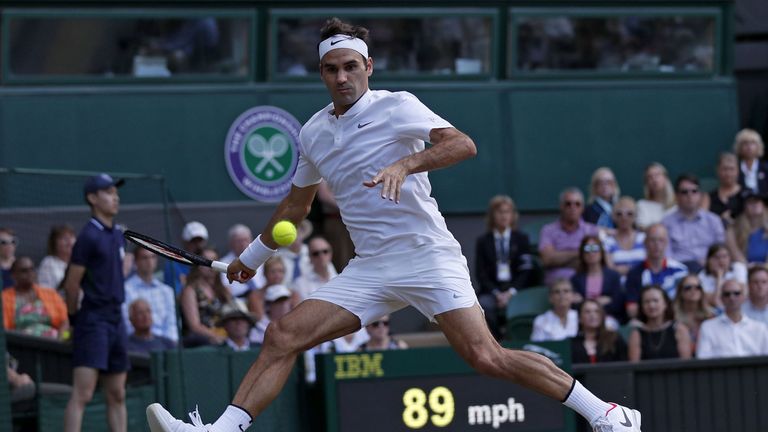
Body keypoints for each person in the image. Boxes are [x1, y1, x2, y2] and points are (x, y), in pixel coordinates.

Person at [146, 18, 642, 432]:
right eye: (331, 69)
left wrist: (406, 165)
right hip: (372, 267)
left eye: (350, 67)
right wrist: (251, 259)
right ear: (321, 73)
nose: (342, 77)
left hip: (428, 255)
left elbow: (462, 144)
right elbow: (294, 209)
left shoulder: (397, 105)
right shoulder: (313, 132)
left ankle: (607, 414)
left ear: (367, 67)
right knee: (281, 335)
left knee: (486, 357)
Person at [63, 173, 128, 432]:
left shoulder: (118, 234)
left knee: (117, 394)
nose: (115, 197)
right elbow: (71, 284)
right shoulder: (88, 236)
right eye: (108, 192)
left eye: (115, 192)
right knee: (84, 393)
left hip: (116, 319)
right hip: (93, 320)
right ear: (92, 198)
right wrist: (74, 320)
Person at [475, 195, 534, 338]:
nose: (504, 216)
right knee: (484, 306)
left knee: (522, 304)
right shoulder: (483, 241)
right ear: (492, 216)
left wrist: (511, 292)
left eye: (507, 212)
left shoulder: (521, 239)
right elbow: (480, 273)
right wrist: (497, 294)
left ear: (513, 215)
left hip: (516, 289)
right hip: (492, 291)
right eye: (500, 212)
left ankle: (515, 342)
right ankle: (497, 342)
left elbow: (526, 271)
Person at [662, 174, 725, 271]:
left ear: (700, 195)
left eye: (694, 191)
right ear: (677, 196)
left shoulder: (713, 220)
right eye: (684, 192)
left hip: (710, 270)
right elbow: (667, 257)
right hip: (680, 271)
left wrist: (709, 262)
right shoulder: (666, 223)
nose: (690, 195)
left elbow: (721, 250)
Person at [539, 187, 600, 285]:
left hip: (584, 286)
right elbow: (548, 259)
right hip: (556, 287)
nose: (573, 207)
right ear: (561, 206)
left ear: (582, 208)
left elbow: (593, 261)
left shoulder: (592, 230)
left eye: (577, 204)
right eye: (568, 204)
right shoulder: (548, 230)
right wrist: (580, 252)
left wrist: (559, 258)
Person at [624, 224, 688, 318]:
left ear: (667, 243)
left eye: (661, 240)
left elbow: (687, 304)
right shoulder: (634, 273)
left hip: (676, 319)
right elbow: (631, 308)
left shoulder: (680, 271)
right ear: (645, 243)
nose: (657, 244)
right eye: (652, 240)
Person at [697, 279, 768, 359]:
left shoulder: (760, 328)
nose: (732, 297)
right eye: (727, 294)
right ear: (721, 298)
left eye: (736, 293)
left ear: (744, 297)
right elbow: (703, 359)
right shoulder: (708, 327)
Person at [2, 256, 69, 339]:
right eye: (24, 271)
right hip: (19, 345)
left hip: (54, 344)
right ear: (13, 275)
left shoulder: (51, 294)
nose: (30, 273)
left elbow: (65, 322)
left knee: (70, 335)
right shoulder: (4, 298)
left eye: (32, 269)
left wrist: (62, 340)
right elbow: (4, 329)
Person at [122, 247, 179, 343]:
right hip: (137, 343)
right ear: (136, 262)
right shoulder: (125, 289)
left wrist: (170, 345)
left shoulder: (167, 291)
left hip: (164, 344)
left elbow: (172, 324)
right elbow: (126, 323)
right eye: (145, 258)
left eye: (153, 257)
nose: (149, 261)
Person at [180, 248, 230, 347]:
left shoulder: (224, 290)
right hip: (202, 340)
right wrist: (217, 336)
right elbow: (194, 326)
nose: (210, 265)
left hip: (226, 336)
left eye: (214, 261)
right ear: (197, 265)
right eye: (206, 261)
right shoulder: (190, 291)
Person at [628, 285, 692, 361]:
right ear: (642, 306)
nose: (651, 305)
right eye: (646, 302)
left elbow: (686, 363)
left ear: (665, 304)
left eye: (655, 300)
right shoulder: (637, 333)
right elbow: (634, 367)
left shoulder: (679, 329)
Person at [570, 236, 624, 326]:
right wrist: (598, 302)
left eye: (595, 248)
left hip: (608, 318)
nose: (591, 253)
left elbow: (617, 303)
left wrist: (586, 301)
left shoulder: (613, 276)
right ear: (582, 254)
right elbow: (575, 304)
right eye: (587, 249)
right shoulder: (576, 279)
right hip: (583, 320)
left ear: (602, 252)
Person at [571, 300, 627, 364]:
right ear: (580, 318)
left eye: (597, 311)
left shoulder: (614, 338)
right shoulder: (572, 344)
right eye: (587, 312)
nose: (592, 315)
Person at [316, 180, 356, 271]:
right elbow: (323, 195)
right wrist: (347, 208)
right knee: (342, 260)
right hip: (336, 220)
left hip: (356, 220)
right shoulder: (325, 168)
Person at [672, 274, 715, 355]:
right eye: (688, 288)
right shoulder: (672, 317)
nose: (693, 290)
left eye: (697, 287)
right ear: (680, 292)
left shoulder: (711, 316)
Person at [603, 197, 646, 277]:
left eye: (629, 214)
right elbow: (609, 270)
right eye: (619, 214)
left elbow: (650, 266)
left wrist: (624, 269)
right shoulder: (607, 241)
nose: (624, 218)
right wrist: (636, 268)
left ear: (635, 216)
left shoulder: (644, 238)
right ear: (613, 217)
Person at [219, 224, 264, 300]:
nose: (243, 244)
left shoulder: (261, 259)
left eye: (246, 240)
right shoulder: (223, 263)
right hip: (238, 302)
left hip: (264, 300)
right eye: (239, 241)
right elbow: (225, 288)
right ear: (231, 244)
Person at [697, 244, 747, 309]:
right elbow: (715, 302)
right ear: (709, 260)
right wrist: (719, 277)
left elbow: (743, 294)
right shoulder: (702, 276)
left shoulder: (738, 268)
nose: (721, 260)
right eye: (716, 257)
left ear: (730, 258)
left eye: (724, 256)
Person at [164, 221, 209, 295]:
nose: (198, 246)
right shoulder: (173, 264)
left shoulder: (210, 261)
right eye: (193, 241)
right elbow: (176, 295)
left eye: (200, 241)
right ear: (185, 242)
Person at [290, 236, 338, 304]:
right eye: (316, 253)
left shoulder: (340, 280)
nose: (321, 256)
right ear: (309, 257)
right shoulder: (299, 284)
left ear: (331, 253)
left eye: (325, 251)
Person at [726, 191, 768, 264]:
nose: (755, 204)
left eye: (758, 201)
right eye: (750, 202)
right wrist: (750, 268)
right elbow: (735, 254)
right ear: (743, 207)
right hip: (744, 269)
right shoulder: (733, 230)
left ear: (763, 204)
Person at [704, 152, 743, 225]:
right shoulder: (708, 197)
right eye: (724, 169)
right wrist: (719, 221)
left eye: (732, 169)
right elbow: (702, 223)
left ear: (738, 171)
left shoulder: (747, 195)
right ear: (717, 170)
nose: (728, 173)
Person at [635, 162, 676, 230]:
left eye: (657, 175)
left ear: (665, 178)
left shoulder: (678, 204)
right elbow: (641, 228)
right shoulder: (642, 205)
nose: (654, 179)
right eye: (649, 177)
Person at [37, 224, 77, 292]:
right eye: (64, 238)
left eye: (71, 236)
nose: (69, 241)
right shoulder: (49, 262)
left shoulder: (79, 262)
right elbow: (45, 291)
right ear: (54, 244)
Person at [734, 128, 768, 195]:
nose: (749, 147)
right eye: (745, 143)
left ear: (759, 146)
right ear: (739, 147)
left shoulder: (766, 168)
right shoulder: (734, 168)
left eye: (753, 143)